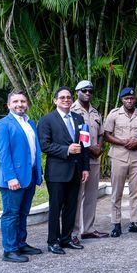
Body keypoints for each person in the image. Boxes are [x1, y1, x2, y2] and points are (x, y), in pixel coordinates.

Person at [0, 91, 43, 262]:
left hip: (28, 176)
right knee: (11, 214)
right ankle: (10, 249)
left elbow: (33, 150)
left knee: (23, 213)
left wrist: (38, 173)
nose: (19, 104)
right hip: (13, 179)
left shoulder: (30, 123)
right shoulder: (2, 124)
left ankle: (21, 244)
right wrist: (11, 177)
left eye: (22, 101)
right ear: (8, 105)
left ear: (26, 103)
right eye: (15, 101)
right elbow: (3, 155)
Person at [38, 87, 90, 254]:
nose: (66, 100)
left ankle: (66, 239)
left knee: (71, 207)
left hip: (76, 170)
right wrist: (66, 150)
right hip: (57, 172)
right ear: (55, 101)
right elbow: (44, 145)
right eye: (62, 97)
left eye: (68, 97)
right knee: (56, 207)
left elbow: (84, 145)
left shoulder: (79, 118)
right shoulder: (47, 120)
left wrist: (85, 167)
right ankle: (53, 241)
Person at [104, 87, 137, 237]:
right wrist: (123, 142)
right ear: (122, 100)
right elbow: (106, 135)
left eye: (131, 99)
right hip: (119, 156)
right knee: (117, 192)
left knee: (136, 191)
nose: (129, 101)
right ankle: (116, 224)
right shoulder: (114, 114)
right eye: (126, 99)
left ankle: (135, 222)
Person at [71, 80, 108, 244]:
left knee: (92, 196)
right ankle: (72, 231)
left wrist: (99, 146)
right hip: (78, 160)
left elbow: (101, 132)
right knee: (76, 196)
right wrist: (88, 149)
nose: (88, 93)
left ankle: (88, 229)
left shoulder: (95, 112)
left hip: (94, 159)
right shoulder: (71, 110)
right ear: (77, 91)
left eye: (90, 91)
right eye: (84, 90)